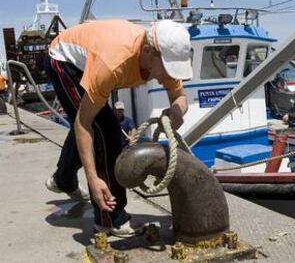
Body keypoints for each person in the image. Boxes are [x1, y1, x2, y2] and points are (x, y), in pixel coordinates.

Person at [44, 19, 192, 237]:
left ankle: (63, 179)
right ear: (147, 52)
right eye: (168, 69)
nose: (169, 76)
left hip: (95, 55)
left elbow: (179, 97)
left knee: (96, 122)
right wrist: (93, 179)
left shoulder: (160, 58)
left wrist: (177, 111)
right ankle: (110, 218)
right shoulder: (113, 64)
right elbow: (83, 123)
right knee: (107, 131)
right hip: (64, 60)